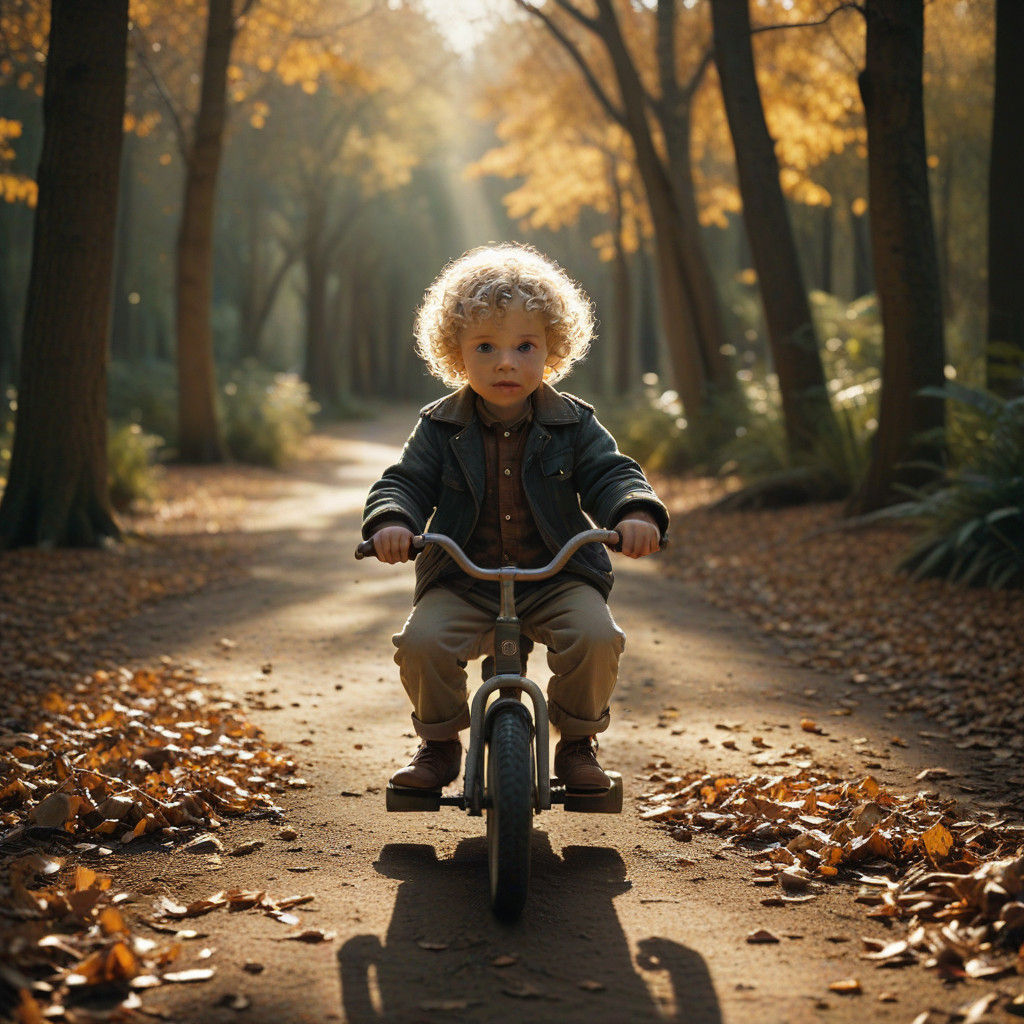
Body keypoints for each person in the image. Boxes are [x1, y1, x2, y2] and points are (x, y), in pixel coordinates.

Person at [361, 243, 668, 792]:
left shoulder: (574, 423)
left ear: (552, 349)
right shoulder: (439, 427)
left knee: (596, 636)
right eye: (485, 346)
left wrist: (635, 511)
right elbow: (405, 481)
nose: (506, 362)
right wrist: (392, 522)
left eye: (525, 346)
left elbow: (611, 473)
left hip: (558, 577)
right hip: (463, 580)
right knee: (421, 643)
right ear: (456, 354)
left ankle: (577, 743)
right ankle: (438, 744)